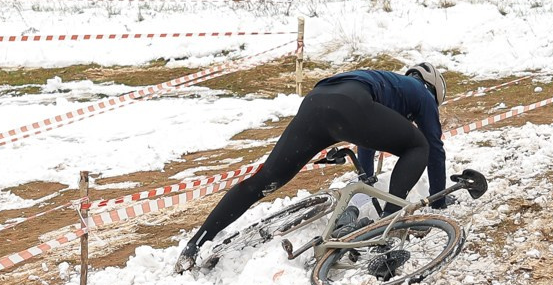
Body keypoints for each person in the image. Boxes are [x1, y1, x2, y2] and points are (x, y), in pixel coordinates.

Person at [179, 62, 451, 271]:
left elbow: (367, 138)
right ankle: (388, 226)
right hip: (351, 106)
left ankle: (197, 243)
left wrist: (366, 177)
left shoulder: (388, 83)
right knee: (419, 147)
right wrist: (439, 201)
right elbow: (434, 148)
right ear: (433, 89)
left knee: (265, 180)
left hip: (316, 102)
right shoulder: (421, 94)